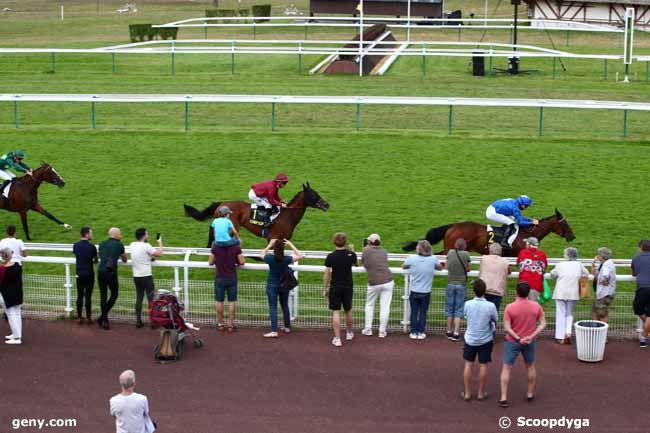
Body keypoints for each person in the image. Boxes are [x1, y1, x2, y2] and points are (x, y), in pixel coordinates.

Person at [498, 282, 546, 408]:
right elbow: (543, 324)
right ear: (529, 293)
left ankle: (503, 397)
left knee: (507, 368)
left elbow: (507, 327)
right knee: (530, 366)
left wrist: (519, 338)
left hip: (513, 341)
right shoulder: (536, 306)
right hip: (529, 341)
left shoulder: (510, 307)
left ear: (516, 292)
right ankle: (530, 393)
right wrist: (531, 336)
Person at [462, 279, 498, 401]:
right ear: (484, 291)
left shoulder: (467, 304)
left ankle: (467, 393)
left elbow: (465, 315)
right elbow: (495, 319)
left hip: (470, 338)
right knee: (483, 365)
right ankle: (481, 393)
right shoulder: (490, 306)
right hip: (485, 339)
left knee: (468, 364)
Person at [261, 239, 302, 338]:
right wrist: (290, 244)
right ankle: (287, 327)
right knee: (284, 305)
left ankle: (274, 331)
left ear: (274, 249)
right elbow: (300, 256)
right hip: (284, 285)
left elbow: (261, 254)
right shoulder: (287, 259)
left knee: (273, 307)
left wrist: (269, 245)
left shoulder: (270, 258)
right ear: (283, 248)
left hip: (272, 285)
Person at [402, 240, 442, 340]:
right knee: (423, 312)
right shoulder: (433, 259)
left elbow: (403, 266)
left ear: (418, 249)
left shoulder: (412, 258)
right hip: (426, 292)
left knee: (414, 312)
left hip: (414, 291)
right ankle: (420, 331)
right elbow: (440, 268)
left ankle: (414, 331)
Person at [323, 232, 357, 347]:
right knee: (348, 310)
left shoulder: (331, 256)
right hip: (348, 286)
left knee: (336, 311)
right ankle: (349, 333)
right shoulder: (351, 255)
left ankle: (337, 339)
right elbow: (357, 264)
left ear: (334, 242)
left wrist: (325, 288)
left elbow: (327, 274)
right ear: (345, 242)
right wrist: (352, 250)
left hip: (335, 287)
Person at [549, 247, 589, 344]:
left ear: (567, 255)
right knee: (569, 313)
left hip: (561, 292)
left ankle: (560, 336)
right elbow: (586, 273)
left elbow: (552, 274)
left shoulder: (560, 264)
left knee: (560, 313)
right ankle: (568, 333)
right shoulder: (579, 265)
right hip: (573, 293)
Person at [208, 229, 245, 332]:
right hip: (232, 277)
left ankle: (220, 324)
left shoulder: (215, 246)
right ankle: (230, 325)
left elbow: (210, 262)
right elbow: (242, 262)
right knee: (232, 302)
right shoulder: (236, 246)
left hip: (220, 277)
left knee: (219, 301)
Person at [361, 233, 393, 338]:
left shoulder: (366, 250)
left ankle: (368, 329)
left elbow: (364, 262)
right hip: (388, 281)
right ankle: (382, 331)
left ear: (370, 242)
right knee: (385, 307)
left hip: (374, 282)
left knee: (369, 305)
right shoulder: (384, 251)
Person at [129, 228, 163, 328]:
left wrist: (149, 258)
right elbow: (159, 254)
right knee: (151, 300)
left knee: (139, 298)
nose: (148, 235)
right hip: (146, 277)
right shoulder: (146, 246)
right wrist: (160, 242)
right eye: (147, 234)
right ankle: (153, 322)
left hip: (137, 277)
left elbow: (142, 255)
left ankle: (138, 321)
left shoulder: (132, 245)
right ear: (144, 236)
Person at [97, 228, 127, 330]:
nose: (121, 235)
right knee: (114, 294)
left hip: (101, 271)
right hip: (111, 272)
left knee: (103, 296)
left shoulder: (101, 244)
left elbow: (100, 256)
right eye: (120, 234)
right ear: (116, 235)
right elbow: (125, 259)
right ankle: (102, 317)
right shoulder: (119, 244)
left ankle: (104, 319)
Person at [445, 238, 471, 342]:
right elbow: (468, 269)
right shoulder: (466, 254)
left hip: (450, 283)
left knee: (449, 308)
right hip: (461, 284)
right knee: (459, 309)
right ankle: (456, 333)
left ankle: (448, 331)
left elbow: (447, 266)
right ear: (464, 246)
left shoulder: (450, 252)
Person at [72, 226, 98, 325]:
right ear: (86, 234)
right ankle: (88, 318)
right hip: (89, 274)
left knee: (79, 294)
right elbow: (95, 260)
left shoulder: (75, 245)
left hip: (79, 273)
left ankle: (79, 317)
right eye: (91, 233)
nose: (92, 235)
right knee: (88, 295)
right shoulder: (92, 247)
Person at [0, 248, 23, 344]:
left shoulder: (2, 269)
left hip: (6, 295)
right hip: (18, 293)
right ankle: (17, 334)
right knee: (17, 314)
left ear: (2, 256)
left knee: (11, 315)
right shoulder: (18, 266)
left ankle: (17, 338)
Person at [479, 243, 511, 312]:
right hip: (497, 291)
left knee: (484, 312)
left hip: (485, 289)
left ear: (490, 251)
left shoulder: (483, 258)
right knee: (494, 313)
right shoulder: (505, 262)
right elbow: (509, 271)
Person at [631, 239, 650, 348]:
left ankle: (643, 337)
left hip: (642, 288)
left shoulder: (636, 257)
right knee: (649, 316)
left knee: (638, 308)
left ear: (640, 248)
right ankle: (644, 336)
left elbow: (633, 274)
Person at [516, 237, 547, 302]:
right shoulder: (542, 254)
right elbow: (544, 268)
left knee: (521, 306)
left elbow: (519, 266)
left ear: (528, 244)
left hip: (523, 284)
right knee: (532, 307)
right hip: (536, 284)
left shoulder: (522, 252)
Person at [591, 247, 616, 324]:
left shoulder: (606, 265)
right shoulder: (603, 264)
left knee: (602, 314)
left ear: (602, 256)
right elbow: (595, 275)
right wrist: (593, 264)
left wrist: (604, 280)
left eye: (598, 254)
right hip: (602, 293)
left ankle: (602, 334)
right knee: (595, 311)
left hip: (605, 293)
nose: (597, 256)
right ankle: (596, 331)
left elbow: (605, 276)